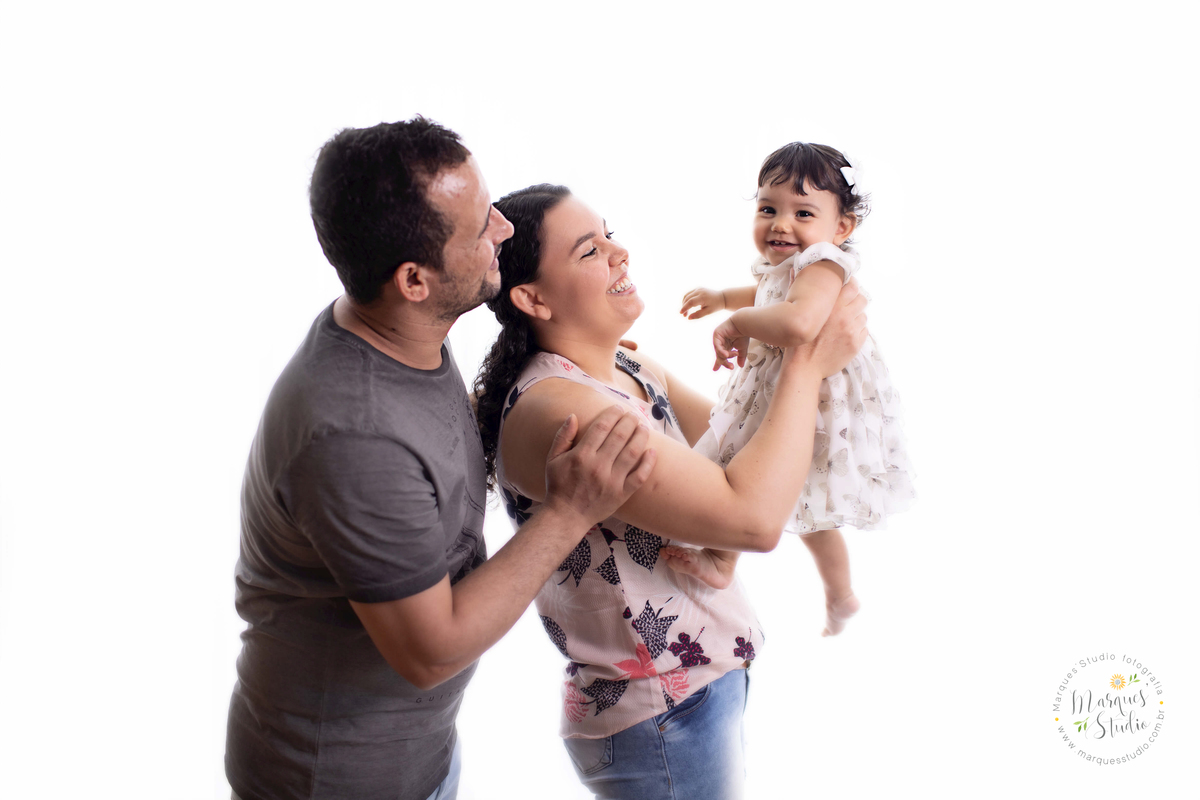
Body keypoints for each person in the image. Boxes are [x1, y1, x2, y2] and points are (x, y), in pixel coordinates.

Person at [224, 118, 656, 800]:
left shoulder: (401, 328)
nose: (504, 232)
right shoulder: (353, 434)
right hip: (339, 784)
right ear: (414, 280)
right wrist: (571, 509)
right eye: (481, 226)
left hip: (420, 759)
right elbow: (430, 652)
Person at [472, 183, 868, 798]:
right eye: (588, 251)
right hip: (660, 713)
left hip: (693, 692)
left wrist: (793, 328)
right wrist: (806, 362)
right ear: (532, 297)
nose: (619, 252)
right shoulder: (562, 412)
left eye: (609, 232)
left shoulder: (631, 368)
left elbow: (755, 454)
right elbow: (752, 517)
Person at [676, 142, 916, 636]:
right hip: (788, 390)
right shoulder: (792, 265)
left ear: (842, 228)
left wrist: (738, 321)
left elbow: (802, 319)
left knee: (752, 471)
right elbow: (771, 291)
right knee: (794, 498)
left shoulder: (826, 263)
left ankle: (726, 560)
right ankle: (840, 594)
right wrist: (725, 298)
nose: (781, 224)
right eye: (768, 208)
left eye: (803, 212)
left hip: (818, 401)